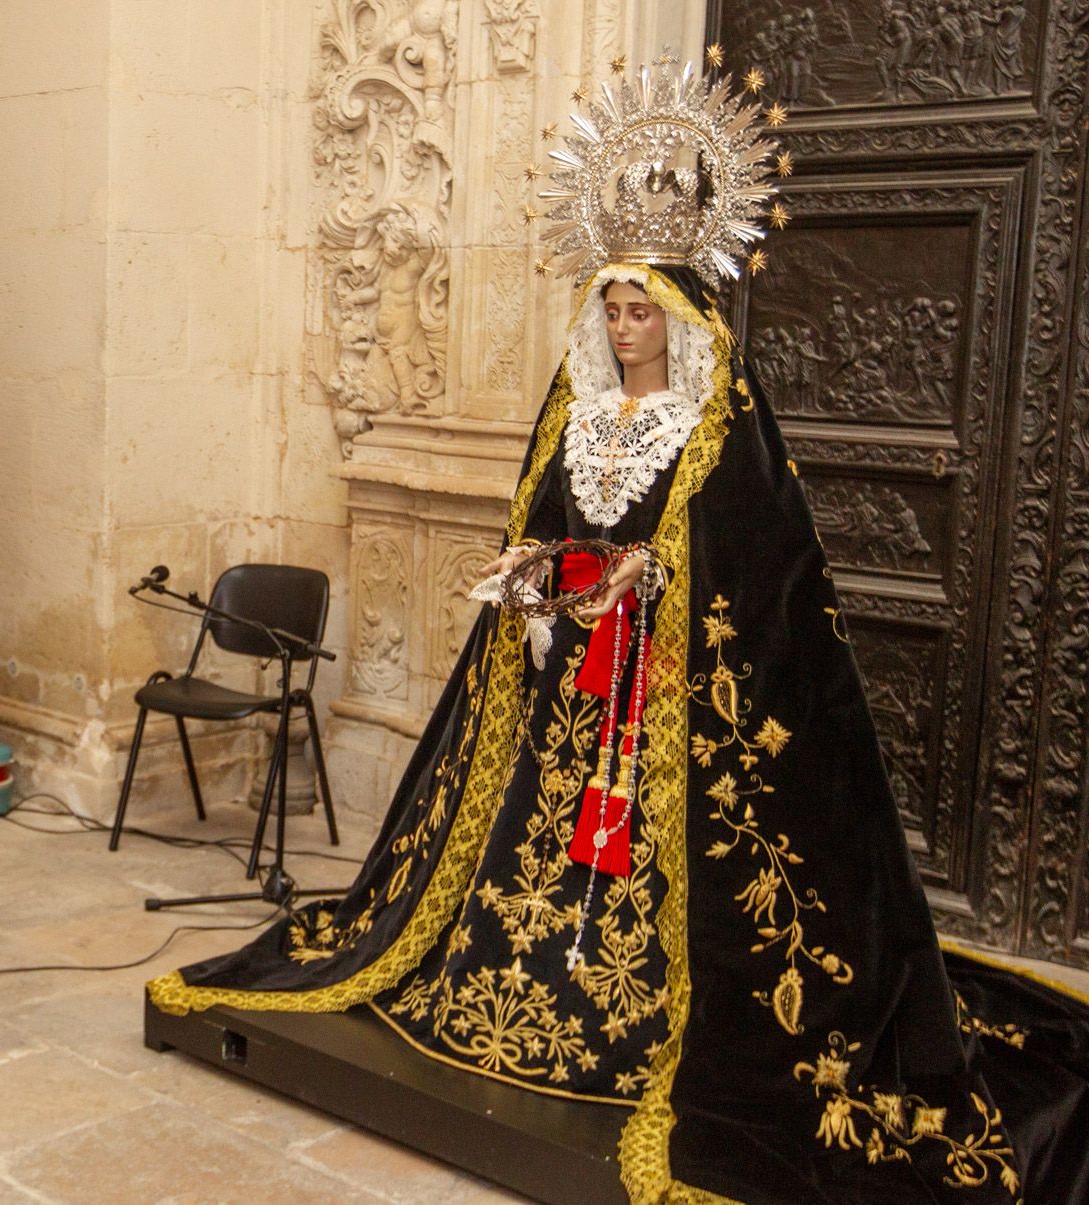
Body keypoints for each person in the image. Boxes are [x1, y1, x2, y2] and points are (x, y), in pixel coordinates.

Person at [149, 63, 1089, 1203]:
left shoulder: (717, 422)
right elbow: (545, 524)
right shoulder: (580, 409)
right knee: (530, 838)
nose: (623, 323)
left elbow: (763, 562)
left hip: (667, 691)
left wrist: (656, 573)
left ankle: (648, 990)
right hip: (571, 680)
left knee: (664, 859)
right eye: (611, 304)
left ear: (682, 314)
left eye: (642, 307)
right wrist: (534, 577)